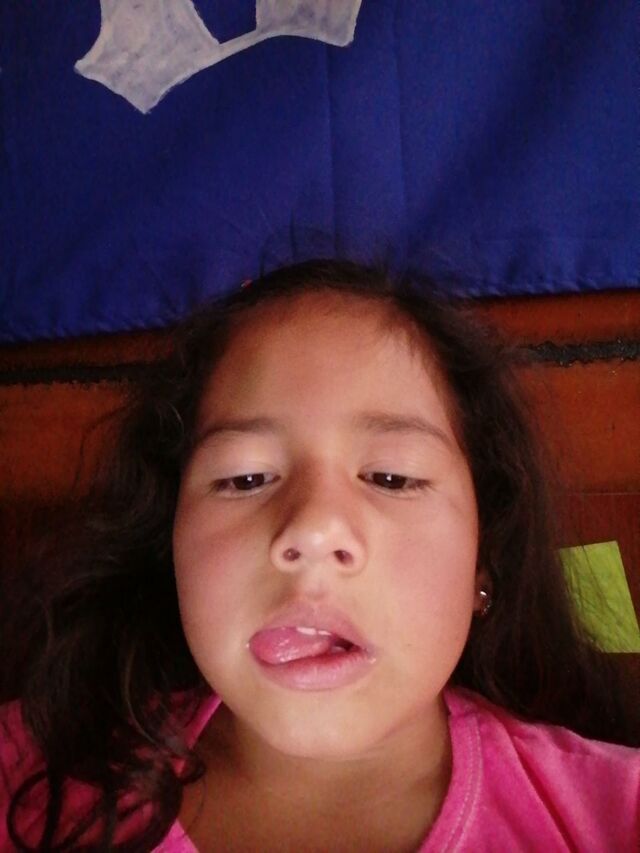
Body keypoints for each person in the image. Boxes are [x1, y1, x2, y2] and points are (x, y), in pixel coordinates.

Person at [1, 259, 638, 851]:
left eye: (391, 477)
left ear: (484, 555)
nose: (312, 529)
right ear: (170, 539)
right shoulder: (26, 775)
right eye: (245, 479)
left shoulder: (613, 815)